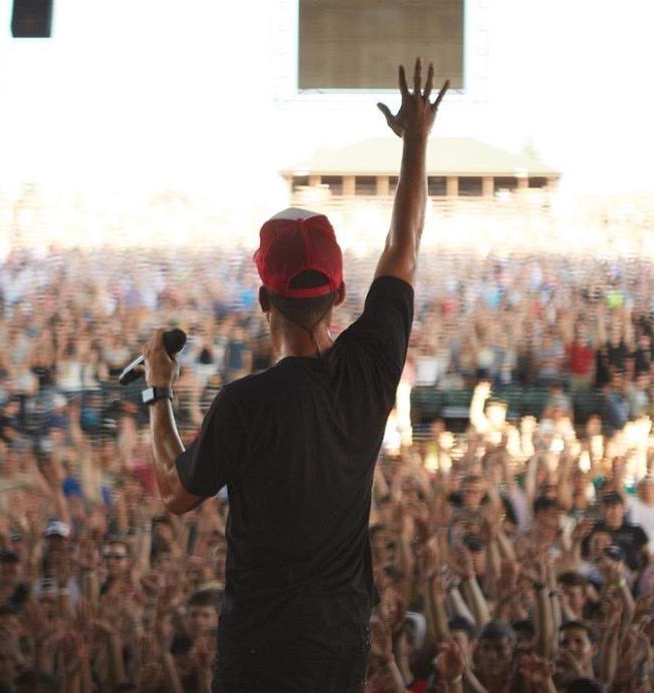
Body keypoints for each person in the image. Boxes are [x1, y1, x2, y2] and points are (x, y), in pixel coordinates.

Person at [141, 58, 449, 692]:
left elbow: (174, 494)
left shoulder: (244, 405)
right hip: (342, 639)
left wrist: (158, 389)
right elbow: (405, 243)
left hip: (260, 647)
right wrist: (417, 140)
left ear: (263, 299)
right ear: (338, 295)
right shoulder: (373, 365)